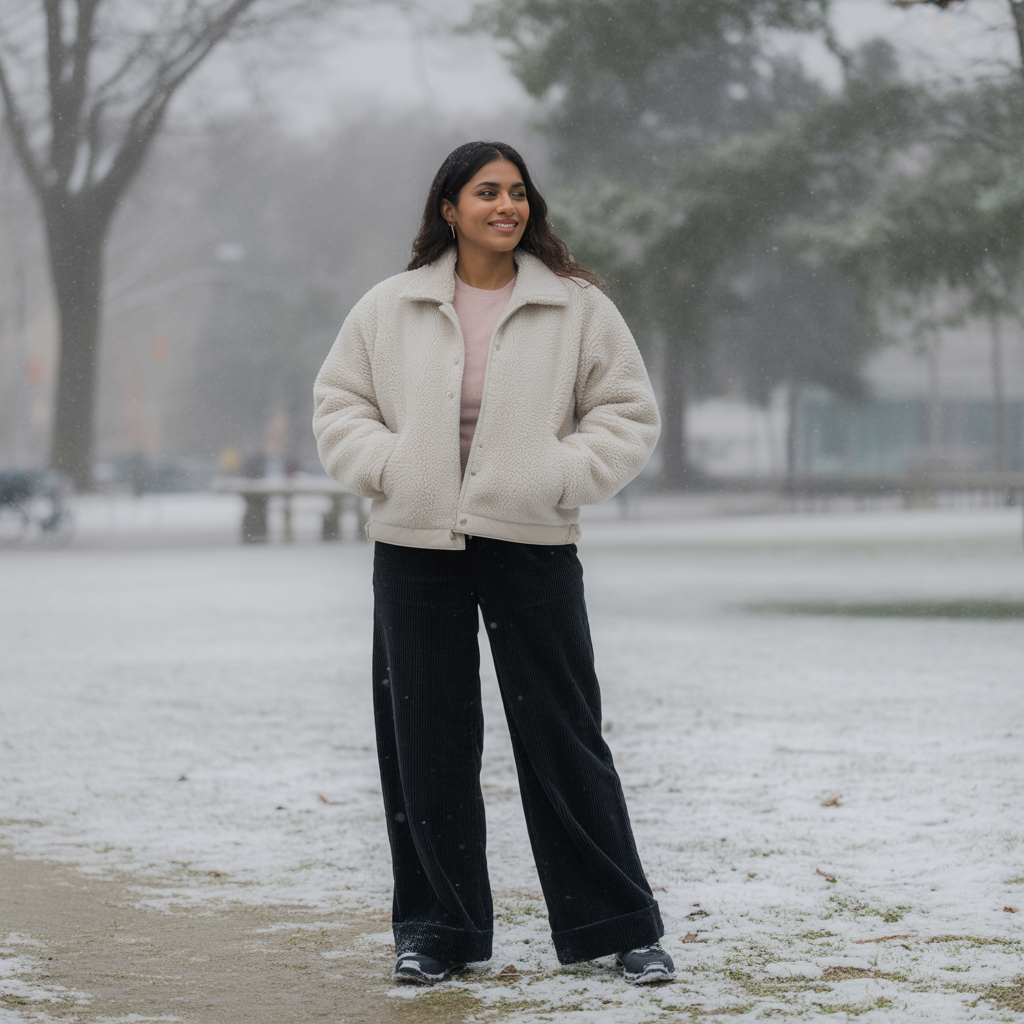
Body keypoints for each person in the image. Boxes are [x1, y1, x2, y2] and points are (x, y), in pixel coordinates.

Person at [312, 141, 673, 987]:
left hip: (532, 545)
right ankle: (437, 933)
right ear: (449, 207)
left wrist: (558, 476)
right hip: (416, 547)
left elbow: (626, 411)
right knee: (425, 744)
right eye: (486, 192)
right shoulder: (389, 306)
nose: (505, 206)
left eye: (516, 193)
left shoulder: (577, 308)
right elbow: (339, 403)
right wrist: (392, 468)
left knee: (564, 736)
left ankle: (621, 926)